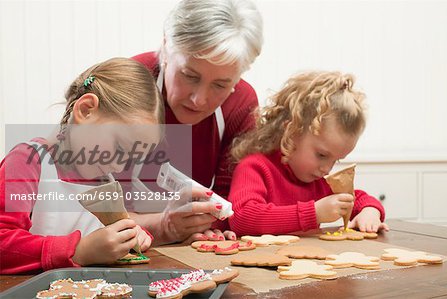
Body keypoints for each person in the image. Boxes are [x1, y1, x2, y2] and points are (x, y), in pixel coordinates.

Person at [0, 57, 163, 274]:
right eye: (120, 148)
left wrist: (134, 235)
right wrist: (79, 250)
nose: (119, 165)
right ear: (86, 110)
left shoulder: (104, 179)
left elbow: (109, 234)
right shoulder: (27, 163)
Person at [128, 0, 264, 244]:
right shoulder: (129, 83)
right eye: (190, 76)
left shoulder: (241, 105)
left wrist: (209, 223)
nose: (199, 100)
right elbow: (94, 208)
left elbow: (230, 202)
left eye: (221, 85)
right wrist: (164, 226)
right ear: (166, 46)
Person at [227, 71, 390, 236]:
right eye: (322, 155)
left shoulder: (318, 182)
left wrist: (370, 211)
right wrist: (314, 213)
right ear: (291, 133)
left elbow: (359, 198)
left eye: (336, 160)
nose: (326, 169)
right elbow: (241, 218)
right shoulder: (255, 168)